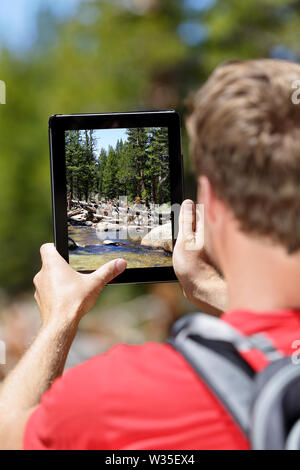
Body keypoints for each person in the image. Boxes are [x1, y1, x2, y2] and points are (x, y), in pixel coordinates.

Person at [1, 59, 300, 450]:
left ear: (209, 198)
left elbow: (6, 436)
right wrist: (209, 287)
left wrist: (60, 318)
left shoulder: (120, 396)